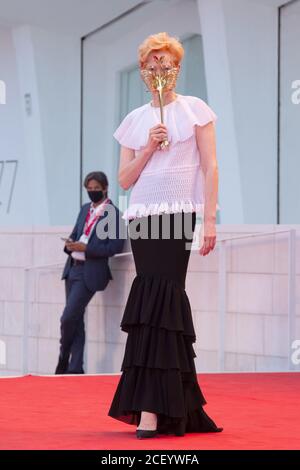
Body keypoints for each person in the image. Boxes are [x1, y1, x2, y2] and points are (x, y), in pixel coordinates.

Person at [108, 32, 223, 439]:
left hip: (178, 215)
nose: (160, 69)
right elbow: (123, 180)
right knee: (150, 299)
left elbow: (210, 168)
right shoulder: (135, 121)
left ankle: (158, 407)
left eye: (167, 62)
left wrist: (209, 220)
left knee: (166, 299)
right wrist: (147, 150)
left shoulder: (195, 110)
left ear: (177, 67)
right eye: (152, 63)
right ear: (143, 71)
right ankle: (156, 407)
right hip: (142, 215)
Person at [55, 171, 125, 374]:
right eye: (89, 189)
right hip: (72, 270)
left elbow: (114, 248)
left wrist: (86, 249)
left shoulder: (113, 214)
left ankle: (63, 356)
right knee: (75, 318)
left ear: (105, 188)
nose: (92, 192)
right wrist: (70, 245)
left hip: (90, 272)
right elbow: (76, 234)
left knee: (68, 317)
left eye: (96, 189)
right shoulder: (85, 209)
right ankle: (75, 368)